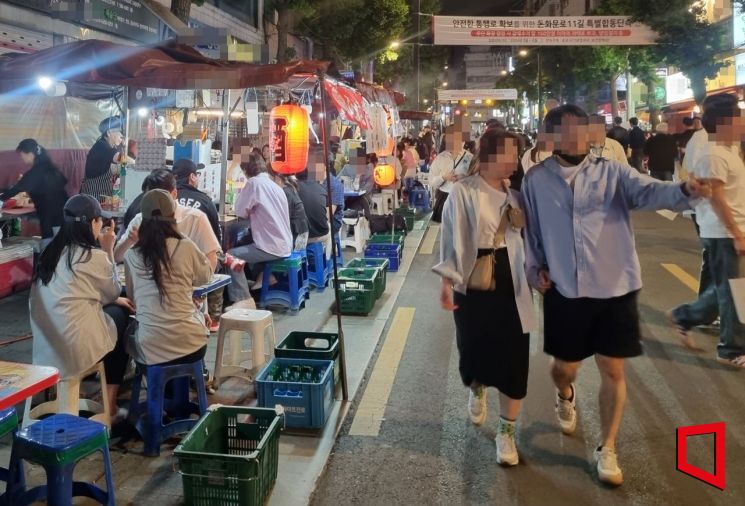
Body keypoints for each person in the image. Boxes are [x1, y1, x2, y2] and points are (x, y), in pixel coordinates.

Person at [522, 104, 704, 486]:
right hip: (564, 288)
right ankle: (565, 392)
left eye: (583, 129)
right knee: (564, 368)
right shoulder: (536, 179)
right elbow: (533, 233)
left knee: (613, 367)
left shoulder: (614, 172)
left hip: (615, 286)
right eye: (568, 130)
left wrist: (684, 191)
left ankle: (607, 446)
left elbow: (650, 192)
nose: (578, 137)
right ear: (551, 136)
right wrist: (534, 269)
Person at [434, 128, 535, 466]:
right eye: (509, 152)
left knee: (515, 355)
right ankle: (477, 386)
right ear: (489, 155)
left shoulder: (517, 196)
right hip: (474, 278)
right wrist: (447, 283)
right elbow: (450, 238)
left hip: (513, 280)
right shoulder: (463, 191)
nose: (514, 160)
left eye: (516, 152)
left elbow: (531, 242)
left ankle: (506, 433)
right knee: (474, 348)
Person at [30, 194, 133, 417]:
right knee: (121, 317)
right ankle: (110, 405)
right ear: (92, 223)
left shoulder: (49, 251)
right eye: (100, 221)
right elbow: (113, 291)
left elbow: (75, 290)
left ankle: (67, 393)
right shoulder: (93, 256)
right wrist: (108, 248)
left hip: (43, 351)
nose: (102, 226)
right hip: (73, 351)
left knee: (106, 312)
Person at [669, 93, 745, 367]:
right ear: (727, 122)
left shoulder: (729, 150)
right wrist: (736, 232)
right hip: (721, 231)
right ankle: (730, 349)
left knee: (730, 288)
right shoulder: (713, 155)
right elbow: (717, 198)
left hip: (730, 229)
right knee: (734, 291)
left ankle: (685, 315)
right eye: (739, 117)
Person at [124, 189, 213, 367]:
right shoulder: (186, 246)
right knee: (197, 315)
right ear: (173, 215)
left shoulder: (132, 255)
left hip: (151, 349)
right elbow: (206, 277)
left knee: (128, 332)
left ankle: (154, 388)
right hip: (191, 345)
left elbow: (133, 298)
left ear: (143, 219)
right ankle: (188, 384)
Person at [227, 153, 292, 302]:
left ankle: (242, 299)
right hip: (285, 242)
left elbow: (240, 211)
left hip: (271, 246)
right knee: (245, 242)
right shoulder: (274, 185)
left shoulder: (254, 184)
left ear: (245, 169)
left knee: (231, 256)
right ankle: (259, 280)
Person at [173, 159, 224, 329]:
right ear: (192, 177)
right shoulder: (204, 200)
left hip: (168, 264)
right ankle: (215, 318)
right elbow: (216, 241)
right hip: (198, 267)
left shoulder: (166, 201)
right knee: (220, 257)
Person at [0, 139, 68, 248]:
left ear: (30, 154)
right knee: (58, 246)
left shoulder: (37, 171)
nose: (22, 158)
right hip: (59, 211)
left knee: (51, 246)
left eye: (22, 155)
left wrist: (1, 199)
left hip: (52, 215)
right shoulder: (48, 166)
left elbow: (18, 187)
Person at [80, 116, 127, 199]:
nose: (121, 136)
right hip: (94, 196)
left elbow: (123, 168)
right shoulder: (102, 146)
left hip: (105, 195)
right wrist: (129, 147)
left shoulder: (112, 147)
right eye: (119, 132)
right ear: (109, 133)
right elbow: (122, 159)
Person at [297, 147, 331, 246]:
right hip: (322, 232)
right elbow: (327, 217)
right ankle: (326, 257)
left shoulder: (293, 189)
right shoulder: (322, 189)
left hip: (302, 236)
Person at [429, 125, 463, 223]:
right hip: (444, 198)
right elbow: (432, 182)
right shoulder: (440, 158)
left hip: (463, 199)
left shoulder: (469, 158)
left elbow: (476, 181)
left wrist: (464, 179)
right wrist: (443, 177)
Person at [270, 169, 309, 251]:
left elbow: (282, 219)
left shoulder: (285, 192)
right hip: (300, 232)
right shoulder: (289, 187)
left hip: (298, 236)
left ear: (277, 178)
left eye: (270, 177)